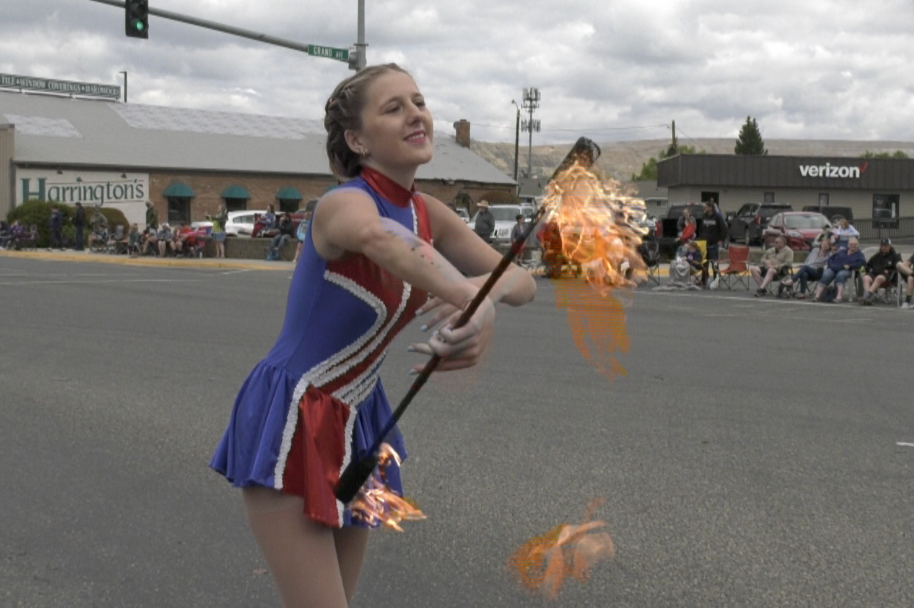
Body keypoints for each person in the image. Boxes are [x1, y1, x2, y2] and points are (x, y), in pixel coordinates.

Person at [209, 64, 536, 608]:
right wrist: (468, 299)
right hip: (293, 416)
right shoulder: (344, 204)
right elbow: (377, 238)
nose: (416, 113)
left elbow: (522, 282)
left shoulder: (426, 211)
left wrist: (486, 300)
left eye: (419, 101)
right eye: (393, 107)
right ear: (357, 140)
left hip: (359, 422)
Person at [813, 238, 865, 303]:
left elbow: (862, 264)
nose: (853, 246)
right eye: (851, 244)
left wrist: (850, 266)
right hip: (834, 268)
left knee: (840, 275)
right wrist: (831, 265)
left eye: (855, 244)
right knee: (826, 274)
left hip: (848, 270)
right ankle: (817, 296)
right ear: (848, 245)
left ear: (858, 245)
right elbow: (830, 259)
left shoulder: (859, 255)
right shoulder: (841, 252)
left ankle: (839, 297)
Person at [860, 237, 902, 305]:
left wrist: (889, 271)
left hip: (888, 277)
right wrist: (867, 269)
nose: (884, 248)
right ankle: (868, 298)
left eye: (886, 246)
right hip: (874, 273)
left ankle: (868, 296)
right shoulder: (876, 256)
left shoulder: (895, 256)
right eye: (882, 246)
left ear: (890, 246)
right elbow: (868, 265)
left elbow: (899, 268)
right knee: (866, 278)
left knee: (879, 278)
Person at [699, 198, 727, 287]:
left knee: (714, 263)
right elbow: (701, 228)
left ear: (710, 208)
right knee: (704, 263)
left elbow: (724, 229)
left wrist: (721, 240)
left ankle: (716, 279)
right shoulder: (704, 216)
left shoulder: (717, 217)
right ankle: (704, 279)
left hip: (714, 244)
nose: (705, 208)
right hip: (705, 243)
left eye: (706, 207)